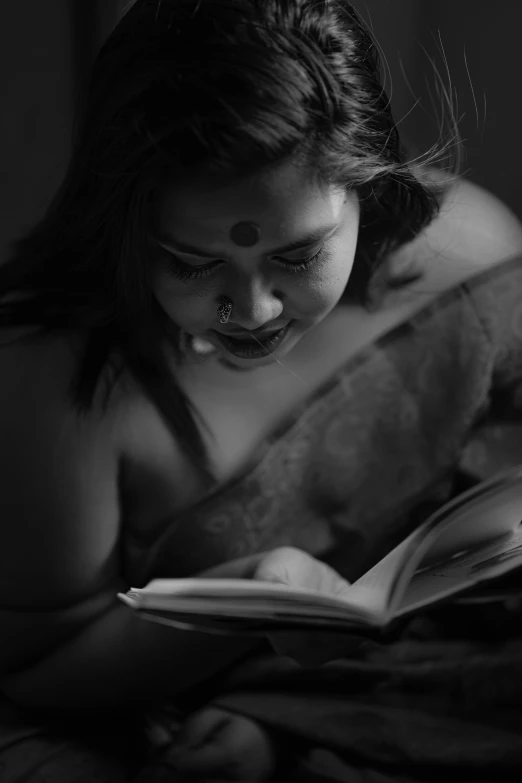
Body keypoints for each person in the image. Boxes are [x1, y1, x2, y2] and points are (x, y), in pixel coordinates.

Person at [1, 0, 522, 780]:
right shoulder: (54, 378)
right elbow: (37, 671)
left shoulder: (468, 259)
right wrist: (242, 603)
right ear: (126, 224)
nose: (254, 309)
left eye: (299, 255)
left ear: (366, 184)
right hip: (177, 717)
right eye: (192, 262)